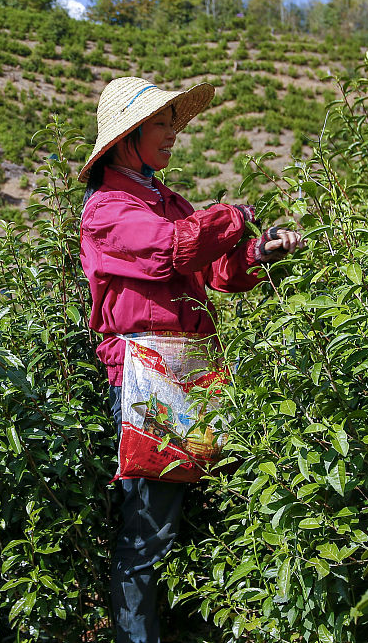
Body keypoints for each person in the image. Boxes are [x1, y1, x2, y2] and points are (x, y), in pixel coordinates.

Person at [78, 76, 303, 643]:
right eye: (162, 124)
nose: (172, 134)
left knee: (205, 505)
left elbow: (213, 273)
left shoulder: (164, 201)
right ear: (128, 137)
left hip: (190, 372)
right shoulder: (107, 209)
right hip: (148, 377)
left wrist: (257, 250)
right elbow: (174, 251)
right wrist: (231, 217)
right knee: (149, 526)